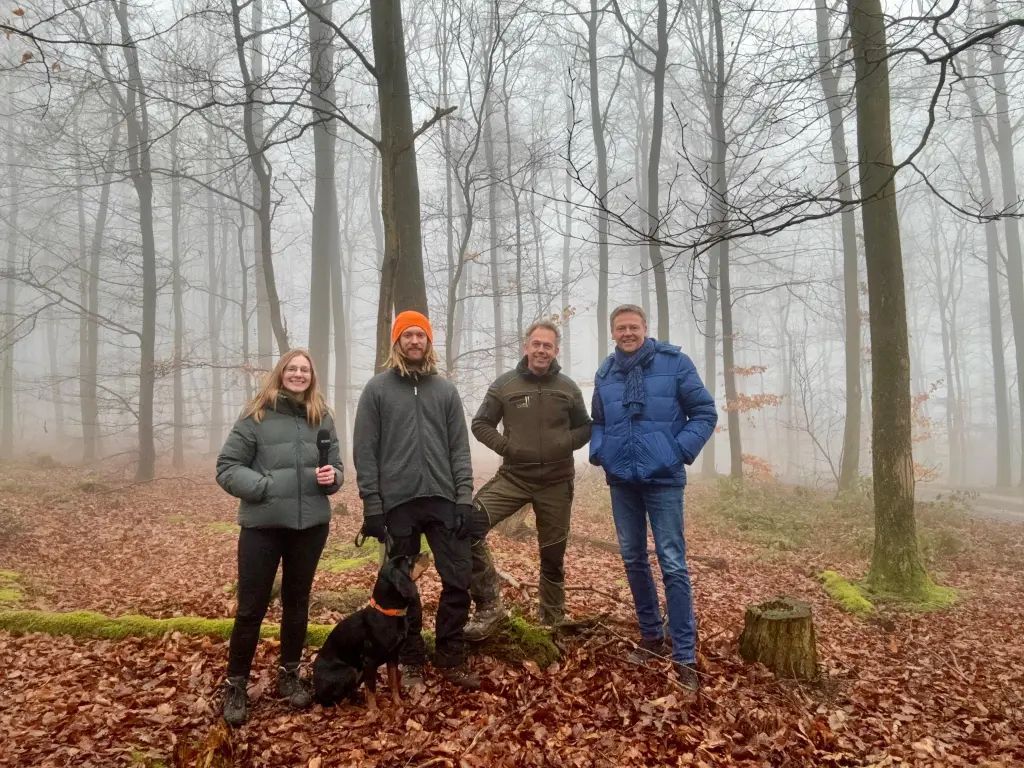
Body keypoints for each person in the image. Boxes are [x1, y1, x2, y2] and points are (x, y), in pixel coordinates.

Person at [589, 305, 717, 691]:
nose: (627, 333)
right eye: (620, 328)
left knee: (673, 563)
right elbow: (599, 420)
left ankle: (684, 654)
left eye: (634, 327)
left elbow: (705, 412)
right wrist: (600, 451)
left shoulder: (674, 363)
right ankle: (650, 635)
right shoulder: (606, 372)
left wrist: (675, 452)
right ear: (612, 333)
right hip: (622, 480)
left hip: (664, 480)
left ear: (645, 328)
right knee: (632, 557)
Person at [215, 348, 344, 726]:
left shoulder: (322, 417)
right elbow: (227, 467)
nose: (299, 374)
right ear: (281, 373)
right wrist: (265, 486)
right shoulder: (255, 415)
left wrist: (332, 478)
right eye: (293, 368)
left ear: (312, 377)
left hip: (311, 527)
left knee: (297, 602)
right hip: (263, 527)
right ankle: (236, 683)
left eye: (305, 369)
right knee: (251, 608)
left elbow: (337, 467)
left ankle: (289, 674)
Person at [353, 310, 480, 690]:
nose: (414, 341)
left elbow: (459, 448)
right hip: (398, 504)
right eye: (407, 335)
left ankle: (450, 657)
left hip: (444, 500)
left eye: (420, 335)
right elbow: (365, 451)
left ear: (428, 342)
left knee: (457, 580)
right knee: (402, 590)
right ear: (397, 342)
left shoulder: (445, 391)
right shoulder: (377, 390)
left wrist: (463, 498)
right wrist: (372, 505)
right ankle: (410, 660)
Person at [464, 320, 592, 638]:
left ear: (555, 351)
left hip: (556, 483)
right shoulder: (505, 385)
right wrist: (508, 447)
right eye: (536, 344)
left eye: (547, 345)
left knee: (552, 556)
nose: (541, 350)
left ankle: (551, 624)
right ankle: (489, 607)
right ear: (526, 346)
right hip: (514, 477)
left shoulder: (568, 388)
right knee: (467, 525)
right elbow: (481, 423)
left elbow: (586, 427)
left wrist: (564, 443)